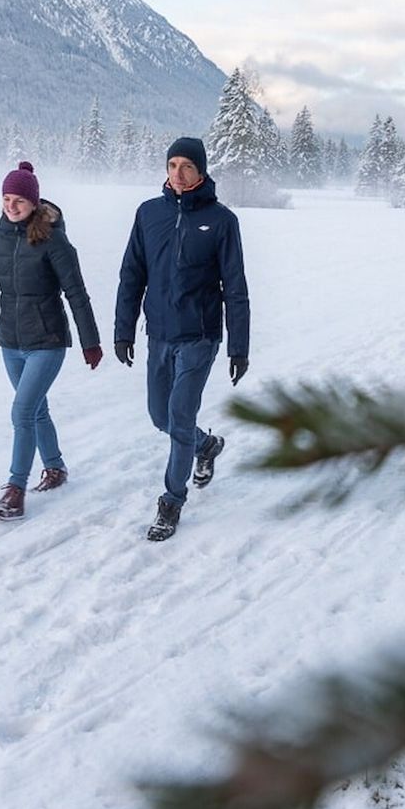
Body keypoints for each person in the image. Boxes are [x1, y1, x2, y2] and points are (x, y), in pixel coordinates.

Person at [113, 137, 250, 542]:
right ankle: (206, 447)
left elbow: (236, 288)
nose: (178, 173)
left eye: (186, 166)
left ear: (202, 171)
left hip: (200, 336)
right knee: (161, 416)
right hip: (159, 334)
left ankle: (171, 501)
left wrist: (238, 346)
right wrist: (124, 329)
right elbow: (131, 275)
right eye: (172, 165)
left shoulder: (222, 221)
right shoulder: (148, 214)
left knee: (179, 421)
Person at [0, 162, 102, 521]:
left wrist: (90, 341)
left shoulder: (54, 240)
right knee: (36, 410)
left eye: (19, 199)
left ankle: (14, 490)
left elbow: (76, 293)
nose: (11, 206)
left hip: (47, 341)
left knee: (22, 411)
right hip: (11, 340)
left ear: (34, 202)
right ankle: (55, 468)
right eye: (6, 198)